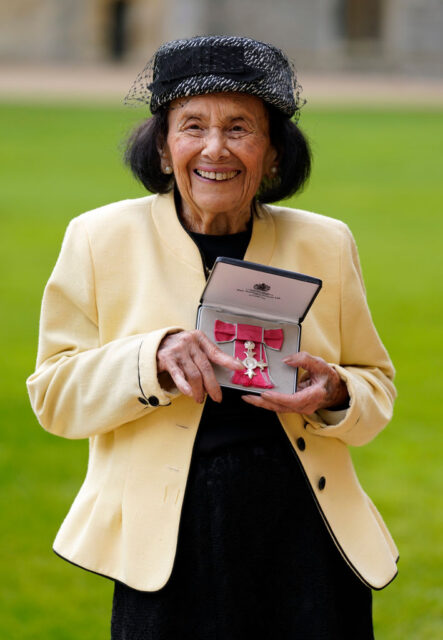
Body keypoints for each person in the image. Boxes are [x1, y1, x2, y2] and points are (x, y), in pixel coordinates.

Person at [27, 36, 398, 639]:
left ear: (273, 151)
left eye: (240, 128)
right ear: (164, 147)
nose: (215, 148)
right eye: (192, 125)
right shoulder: (99, 239)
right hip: (169, 543)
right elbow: (53, 396)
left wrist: (335, 392)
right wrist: (152, 359)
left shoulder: (326, 242)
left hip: (307, 530)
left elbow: (375, 385)